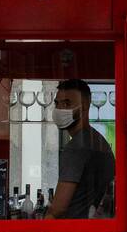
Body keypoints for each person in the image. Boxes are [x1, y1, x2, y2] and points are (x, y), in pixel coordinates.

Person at [47, 79, 115, 220]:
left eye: (67, 104)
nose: (60, 109)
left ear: (84, 107)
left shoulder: (76, 147)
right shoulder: (99, 141)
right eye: (57, 104)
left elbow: (58, 209)